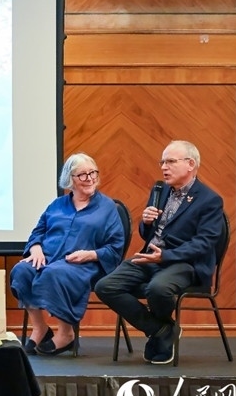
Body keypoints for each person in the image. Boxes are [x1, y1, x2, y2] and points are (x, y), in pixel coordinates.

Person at [95, 140, 224, 365]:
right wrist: (145, 223)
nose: (164, 167)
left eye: (170, 161)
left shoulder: (209, 200)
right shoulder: (160, 190)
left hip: (185, 263)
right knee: (105, 286)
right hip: (151, 257)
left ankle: (160, 335)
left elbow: (204, 243)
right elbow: (149, 234)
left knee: (158, 289)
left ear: (190, 164)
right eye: (162, 162)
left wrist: (166, 256)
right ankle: (162, 330)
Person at [10, 153, 125, 356]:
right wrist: (35, 248)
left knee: (54, 273)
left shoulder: (107, 208)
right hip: (49, 258)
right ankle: (40, 328)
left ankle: (66, 333)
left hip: (84, 264)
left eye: (93, 173)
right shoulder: (57, 205)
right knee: (22, 270)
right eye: (82, 175)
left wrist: (90, 254)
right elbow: (38, 232)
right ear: (69, 179)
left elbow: (115, 246)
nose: (89, 178)